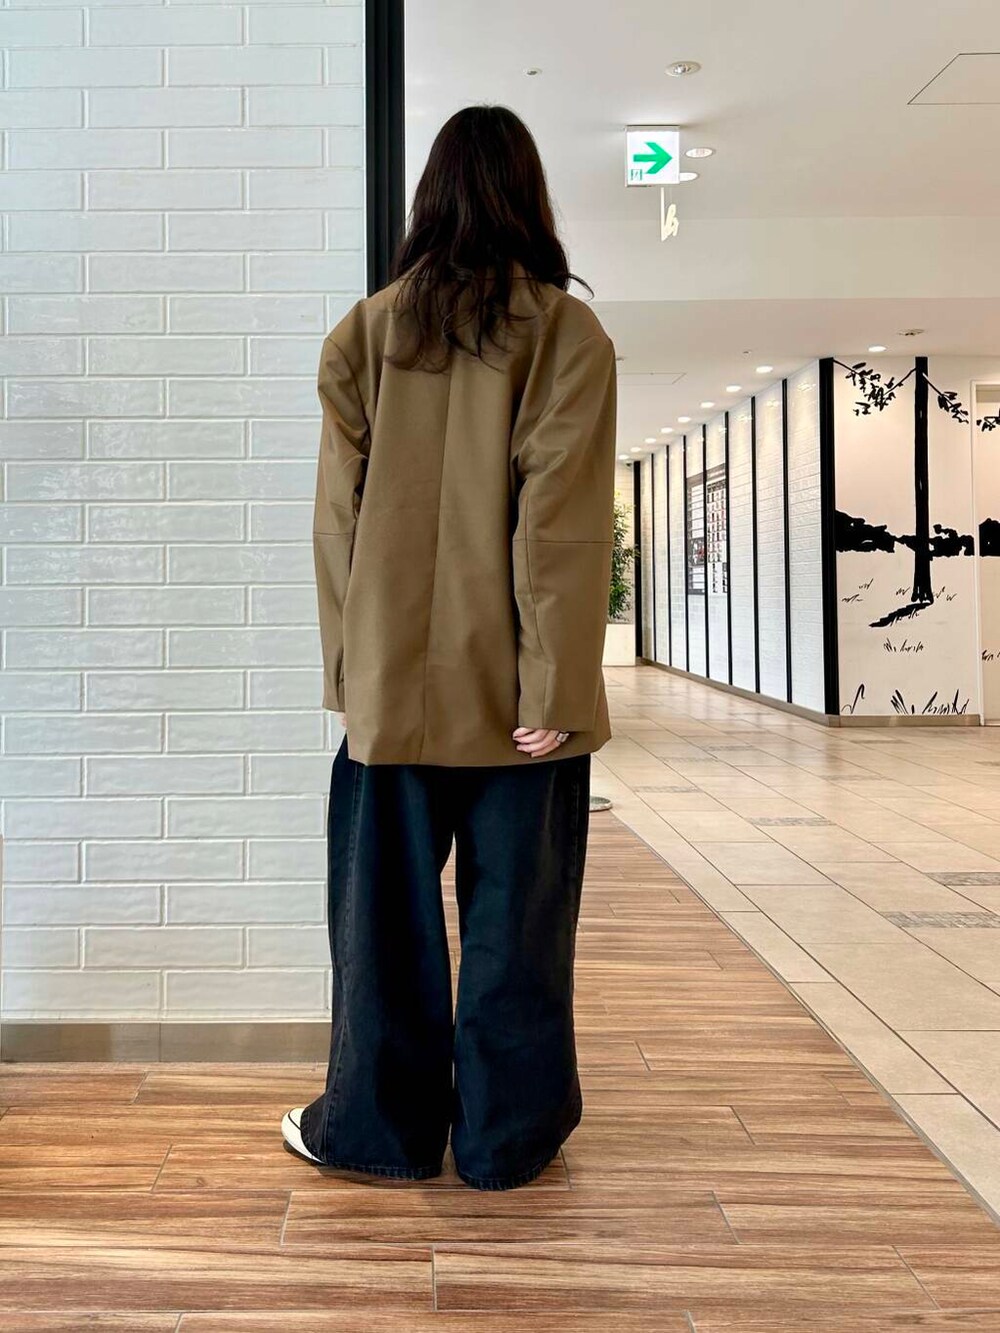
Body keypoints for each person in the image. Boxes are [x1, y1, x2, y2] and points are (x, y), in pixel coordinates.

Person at [280, 103, 618, 1191]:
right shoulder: (563, 333)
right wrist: (554, 682)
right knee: (518, 928)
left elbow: (335, 521)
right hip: (521, 700)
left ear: (429, 198)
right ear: (529, 197)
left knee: (381, 928)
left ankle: (375, 1131)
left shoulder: (366, 331)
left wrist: (352, 676)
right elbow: (558, 518)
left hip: (392, 692)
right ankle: (504, 1140)